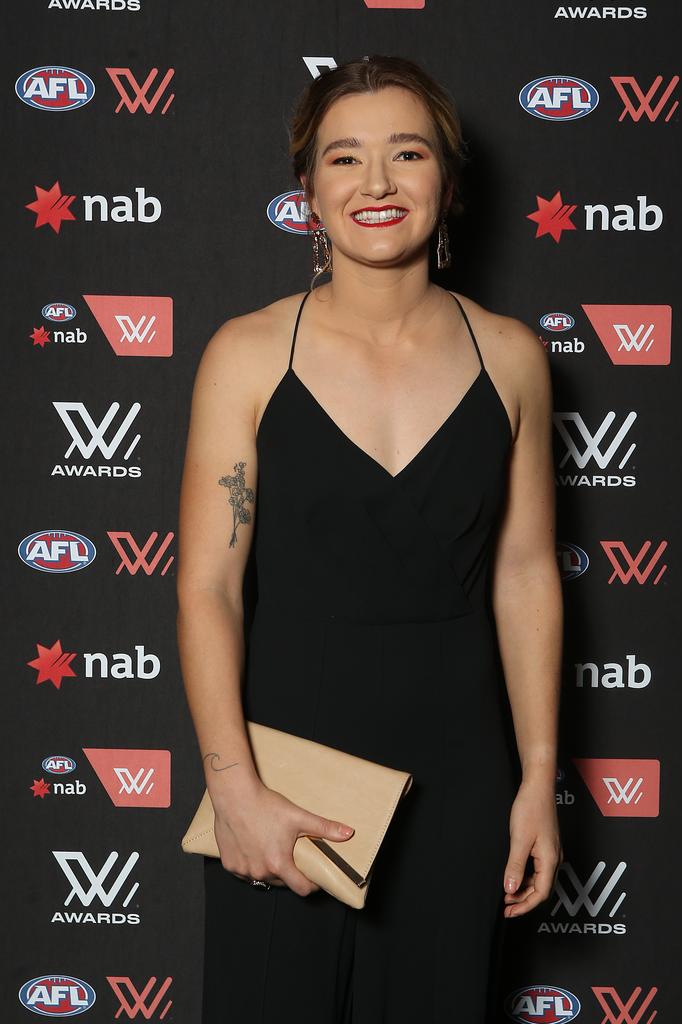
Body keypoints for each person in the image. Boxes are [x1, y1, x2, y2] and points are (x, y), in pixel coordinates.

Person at [176, 54, 563, 1024]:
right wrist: (235, 789)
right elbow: (209, 587)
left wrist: (539, 778)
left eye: (407, 153)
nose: (377, 184)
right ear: (307, 189)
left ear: (449, 179)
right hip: (280, 784)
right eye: (345, 158)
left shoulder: (512, 356)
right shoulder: (248, 353)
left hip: (461, 790)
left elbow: (523, 575)